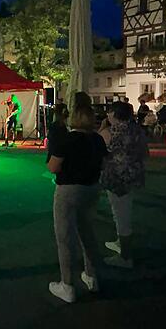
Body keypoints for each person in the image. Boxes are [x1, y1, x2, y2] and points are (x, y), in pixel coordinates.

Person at [46, 100, 107, 303]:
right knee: (87, 233)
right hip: (91, 189)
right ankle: (91, 276)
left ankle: (67, 284)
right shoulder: (97, 140)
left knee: (65, 237)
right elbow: (104, 162)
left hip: (68, 190)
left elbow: (53, 167)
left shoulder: (68, 139)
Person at [98, 101, 148, 269]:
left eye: (109, 112)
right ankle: (121, 243)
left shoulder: (110, 132)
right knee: (122, 211)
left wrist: (102, 128)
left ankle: (126, 257)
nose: (107, 115)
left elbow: (96, 147)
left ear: (115, 114)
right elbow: (145, 153)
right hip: (133, 175)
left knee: (121, 215)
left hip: (116, 178)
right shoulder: (137, 130)